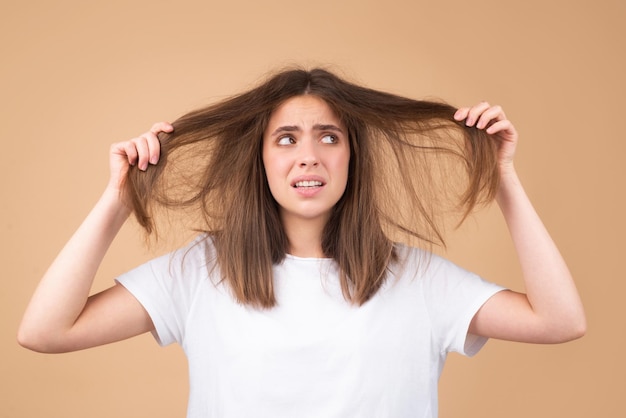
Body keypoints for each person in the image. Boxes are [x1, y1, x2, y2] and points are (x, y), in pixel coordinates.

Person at [18, 67, 586, 417]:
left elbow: (559, 321)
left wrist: (503, 177)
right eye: (286, 139)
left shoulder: (418, 279)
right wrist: (121, 198)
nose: (308, 155)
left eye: (328, 137)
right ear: (261, 159)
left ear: (350, 157)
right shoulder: (200, 271)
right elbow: (45, 331)